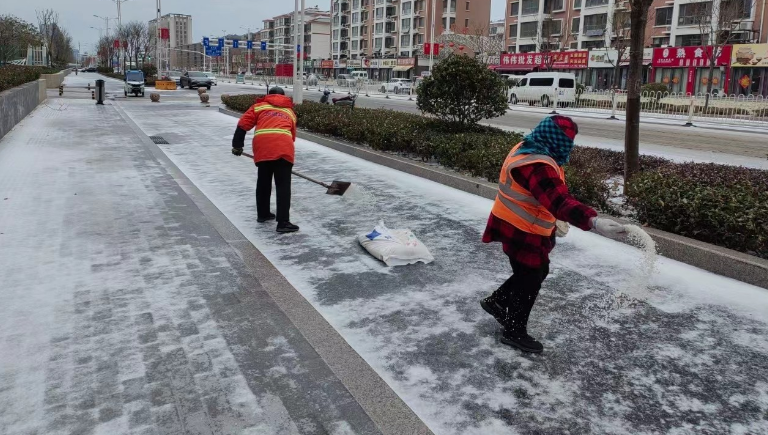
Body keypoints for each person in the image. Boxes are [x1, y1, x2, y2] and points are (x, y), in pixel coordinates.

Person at [481, 115, 626, 353]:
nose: (569, 147)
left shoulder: (528, 146)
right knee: (530, 277)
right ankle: (514, 331)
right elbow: (559, 201)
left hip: (513, 222)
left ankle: (497, 301)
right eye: (567, 141)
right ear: (557, 140)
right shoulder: (537, 165)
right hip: (522, 229)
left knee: (534, 272)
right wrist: (593, 220)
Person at [231, 87, 299, 233]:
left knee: (263, 181)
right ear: (284, 96)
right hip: (283, 147)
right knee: (283, 186)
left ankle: (263, 214)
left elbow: (242, 125)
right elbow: (292, 136)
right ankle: (283, 222)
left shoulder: (259, 106)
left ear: (268, 95)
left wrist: (237, 146)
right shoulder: (290, 112)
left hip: (263, 147)